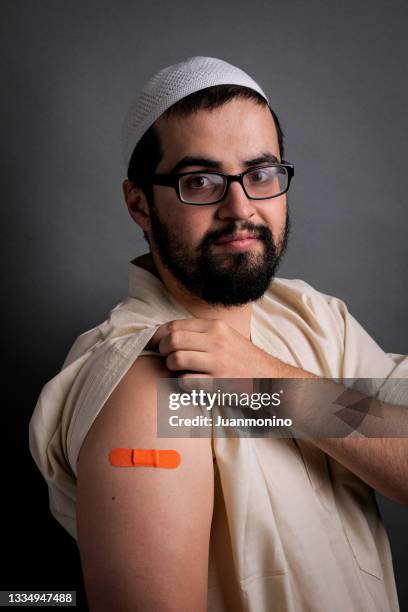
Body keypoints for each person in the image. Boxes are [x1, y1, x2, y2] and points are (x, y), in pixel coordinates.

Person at [29, 56, 408, 612]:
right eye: (200, 181)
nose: (241, 208)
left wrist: (273, 389)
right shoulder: (152, 382)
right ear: (140, 203)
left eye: (260, 174)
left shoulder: (315, 318)